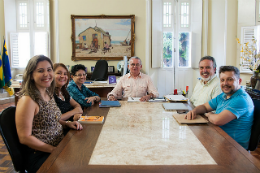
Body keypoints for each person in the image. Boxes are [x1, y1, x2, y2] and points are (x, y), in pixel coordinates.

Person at [16, 55, 83, 173]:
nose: (46, 74)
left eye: (49, 69)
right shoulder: (28, 100)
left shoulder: (48, 93)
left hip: (59, 145)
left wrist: (67, 123)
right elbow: (24, 138)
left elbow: (53, 119)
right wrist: (54, 150)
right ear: (31, 75)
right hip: (41, 155)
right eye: (40, 71)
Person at [186, 66, 254, 149]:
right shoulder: (224, 95)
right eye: (222, 80)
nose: (225, 83)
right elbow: (204, 106)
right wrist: (195, 111)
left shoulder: (241, 100)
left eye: (230, 79)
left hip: (233, 148)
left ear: (239, 81)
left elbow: (218, 120)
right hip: (218, 138)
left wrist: (209, 114)